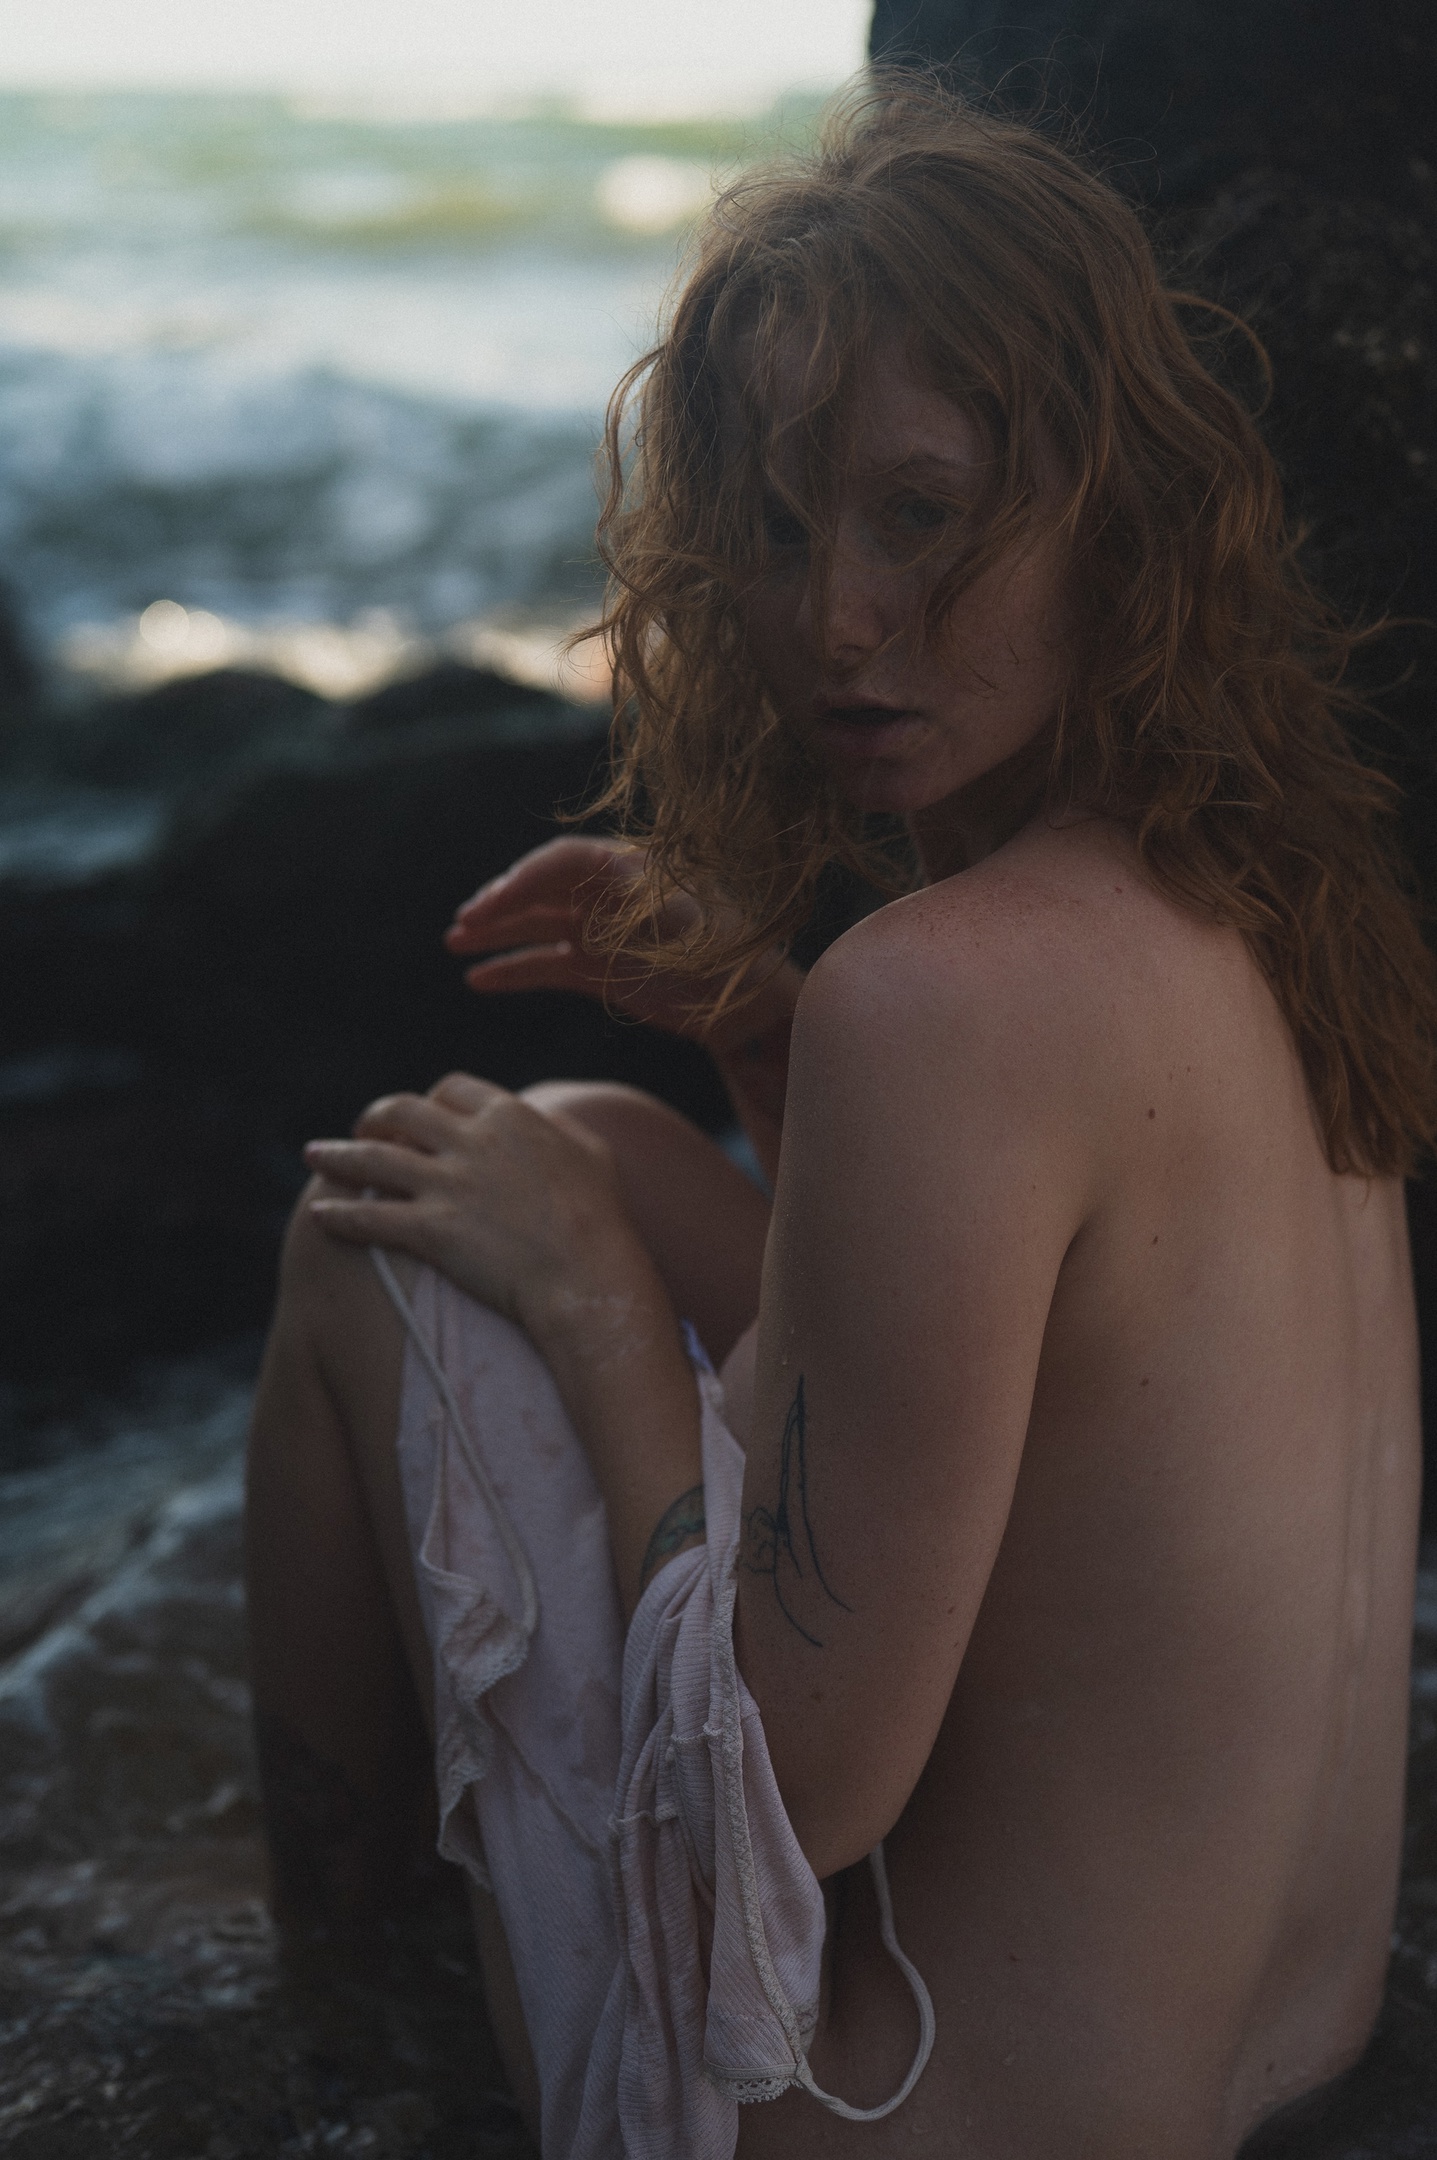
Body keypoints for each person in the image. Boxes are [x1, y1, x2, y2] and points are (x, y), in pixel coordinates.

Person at [243, 82, 1435, 2158]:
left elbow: (789, 1789)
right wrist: (771, 1052)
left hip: (896, 2120)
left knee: (386, 1234)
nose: (837, 619)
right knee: (594, 1137)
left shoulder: (949, 995)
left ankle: (340, 2039)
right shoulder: (1266, 905)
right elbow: (1038, 1419)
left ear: (1110, 512)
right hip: (1273, 2060)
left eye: (920, 514)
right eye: (781, 531)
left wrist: (595, 1312)